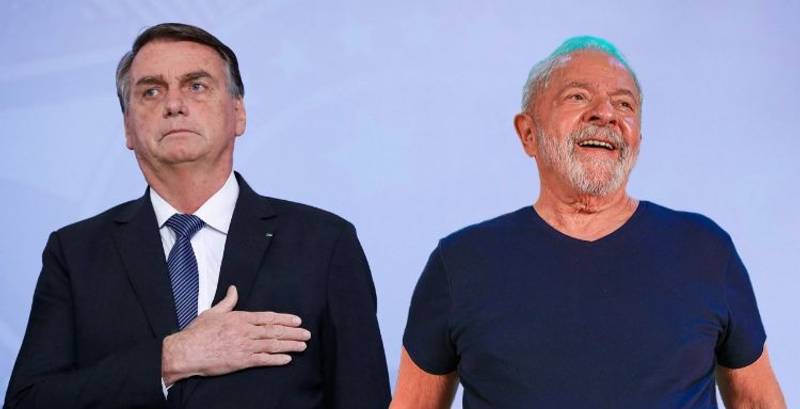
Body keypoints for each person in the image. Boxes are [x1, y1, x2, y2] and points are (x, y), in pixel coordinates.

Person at [5, 23, 390, 409]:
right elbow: (27, 403)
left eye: (196, 85)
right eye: (151, 91)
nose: (174, 104)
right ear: (128, 128)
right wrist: (172, 358)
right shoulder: (75, 253)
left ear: (238, 113)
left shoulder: (324, 244)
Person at [391, 36, 786, 408]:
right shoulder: (461, 263)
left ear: (638, 139)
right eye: (577, 96)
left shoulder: (705, 250)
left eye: (624, 104)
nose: (606, 114)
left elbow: (757, 401)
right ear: (528, 133)